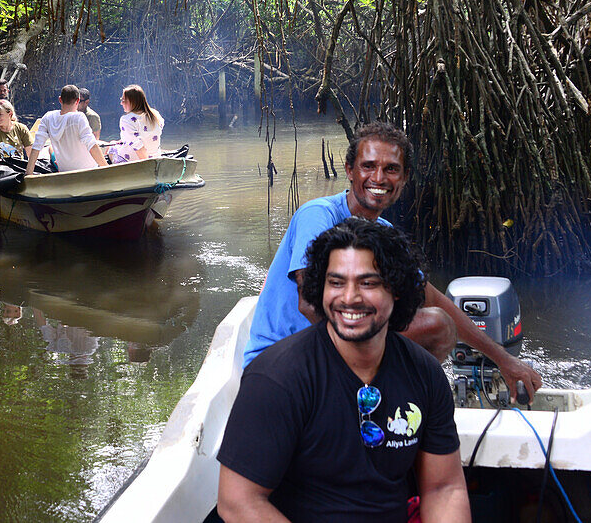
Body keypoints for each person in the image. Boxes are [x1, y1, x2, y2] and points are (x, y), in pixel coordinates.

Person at [244, 122, 542, 403]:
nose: (378, 178)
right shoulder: (318, 215)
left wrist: (503, 358)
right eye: (368, 166)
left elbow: (433, 298)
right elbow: (309, 305)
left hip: (334, 357)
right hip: (280, 360)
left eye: (391, 169)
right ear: (349, 170)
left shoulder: (384, 233)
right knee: (434, 326)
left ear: (404, 177)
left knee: (440, 323)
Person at [217, 218, 470, 523]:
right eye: (336, 282)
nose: (349, 298)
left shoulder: (424, 373)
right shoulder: (276, 378)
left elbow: (444, 489)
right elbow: (238, 502)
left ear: (397, 290)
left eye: (368, 283)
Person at [25, 85, 108, 174]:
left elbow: (37, 147)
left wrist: (28, 173)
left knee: (50, 148)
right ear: (78, 101)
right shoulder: (79, 117)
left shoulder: (48, 117)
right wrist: (107, 169)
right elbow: (92, 146)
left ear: (60, 99)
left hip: (65, 172)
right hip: (88, 170)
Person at [106, 84, 163, 163]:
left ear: (133, 102)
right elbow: (148, 135)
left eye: (123, 100)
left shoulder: (126, 119)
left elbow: (139, 147)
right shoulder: (155, 114)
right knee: (116, 143)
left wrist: (147, 166)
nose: (121, 103)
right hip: (156, 157)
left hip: (134, 161)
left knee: (111, 146)